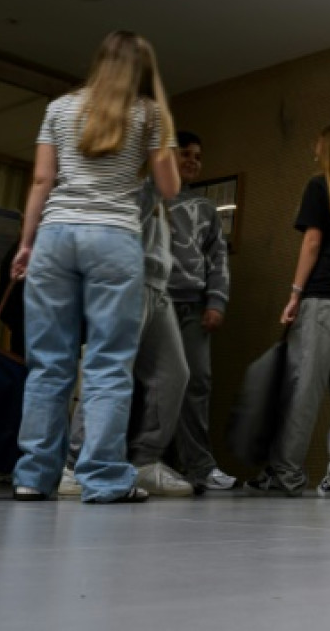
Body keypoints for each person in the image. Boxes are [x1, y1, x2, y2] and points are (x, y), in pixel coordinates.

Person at [10, 31, 180, 503]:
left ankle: (33, 476)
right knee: (108, 363)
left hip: (56, 236)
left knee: (48, 365)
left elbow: (42, 180)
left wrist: (26, 244)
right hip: (114, 239)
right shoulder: (149, 114)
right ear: (144, 70)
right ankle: (103, 478)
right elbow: (169, 188)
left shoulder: (59, 109)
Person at [247, 121, 330, 498]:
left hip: (325, 300)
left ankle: (286, 474)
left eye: (318, 141)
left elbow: (312, 243)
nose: (313, 147)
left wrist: (295, 294)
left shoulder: (320, 185)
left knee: (303, 389)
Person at [60, 182, 195, 498]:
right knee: (109, 372)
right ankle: (75, 467)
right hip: (126, 280)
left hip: (158, 286)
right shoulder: (138, 177)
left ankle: (144, 463)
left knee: (173, 375)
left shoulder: (159, 191)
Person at [166, 131, 236, 491]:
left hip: (193, 307)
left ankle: (198, 466)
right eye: (185, 154)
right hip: (154, 303)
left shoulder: (206, 209)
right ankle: (134, 461)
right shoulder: (148, 199)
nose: (193, 160)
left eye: (198, 156)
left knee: (197, 382)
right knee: (144, 384)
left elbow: (218, 259)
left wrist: (216, 301)